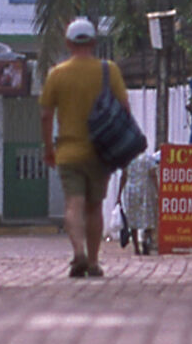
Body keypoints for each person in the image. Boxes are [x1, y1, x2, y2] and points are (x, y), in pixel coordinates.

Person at [38, 17, 128, 278]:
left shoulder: (57, 74)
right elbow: (124, 108)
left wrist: (48, 148)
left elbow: (45, 115)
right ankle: (93, 261)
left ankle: (78, 251)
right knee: (95, 206)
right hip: (100, 152)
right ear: (94, 42)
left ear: (67, 43)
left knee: (73, 204)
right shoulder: (108, 70)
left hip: (68, 152)